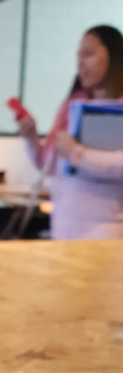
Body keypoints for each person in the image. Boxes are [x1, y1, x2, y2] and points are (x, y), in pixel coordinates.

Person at [16, 25, 123, 240]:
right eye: (78, 55)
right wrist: (32, 138)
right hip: (64, 224)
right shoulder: (72, 106)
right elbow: (48, 166)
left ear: (113, 56)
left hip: (105, 229)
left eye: (88, 54)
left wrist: (77, 153)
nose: (80, 63)